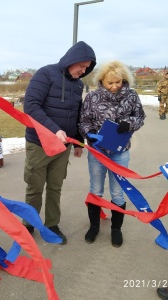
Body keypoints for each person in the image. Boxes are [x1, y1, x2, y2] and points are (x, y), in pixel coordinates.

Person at [22, 41, 96, 245]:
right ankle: (29, 224)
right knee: (35, 186)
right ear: (72, 60)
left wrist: (79, 142)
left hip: (64, 147)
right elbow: (31, 106)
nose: (84, 71)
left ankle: (52, 224)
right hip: (39, 144)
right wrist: (54, 130)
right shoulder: (45, 74)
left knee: (55, 187)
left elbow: (76, 115)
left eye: (87, 68)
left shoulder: (79, 84)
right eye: (82, 66)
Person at [79, 60, 145, 247]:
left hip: (120, 152)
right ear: (102, 81)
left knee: (118, 192)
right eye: (110, 82)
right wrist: (90, 135)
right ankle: (94, 226)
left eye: (119, 82)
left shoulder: (131, 96)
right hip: (98, 152)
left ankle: (116, 229)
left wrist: (129, 124)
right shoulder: (92, 97)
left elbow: (140, 117)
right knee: (96, 189)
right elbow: (84, 120)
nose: (115, 86)